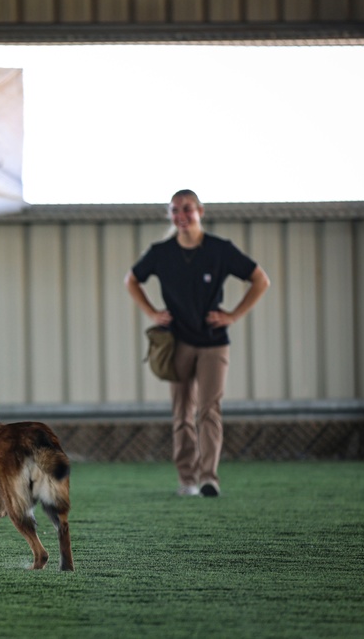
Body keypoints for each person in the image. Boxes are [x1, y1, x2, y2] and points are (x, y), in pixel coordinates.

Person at [125, 189, 270, 497]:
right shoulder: (161, 253)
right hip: (176, 342)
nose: (181, 215)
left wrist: (233, 315)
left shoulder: (219, 250)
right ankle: (187, 480)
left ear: (200, 211)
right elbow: (131, 280)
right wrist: (151, 312)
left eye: (187, 209)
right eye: (175, 210)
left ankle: (208, 479)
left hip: (214, 343)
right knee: (182, 413)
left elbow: (261, 280)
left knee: (209, 410)